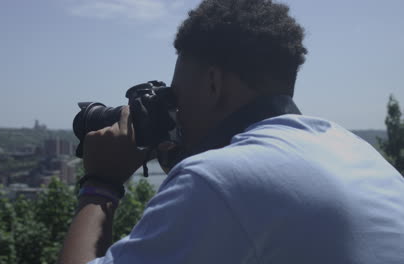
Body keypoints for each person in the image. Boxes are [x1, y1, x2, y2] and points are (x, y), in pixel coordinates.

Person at [59, 0, 404, 263]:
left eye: (175, 95)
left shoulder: (216, 180)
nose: (175, 110)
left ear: (213, 83)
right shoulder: (357, 153)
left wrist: (101, 185)